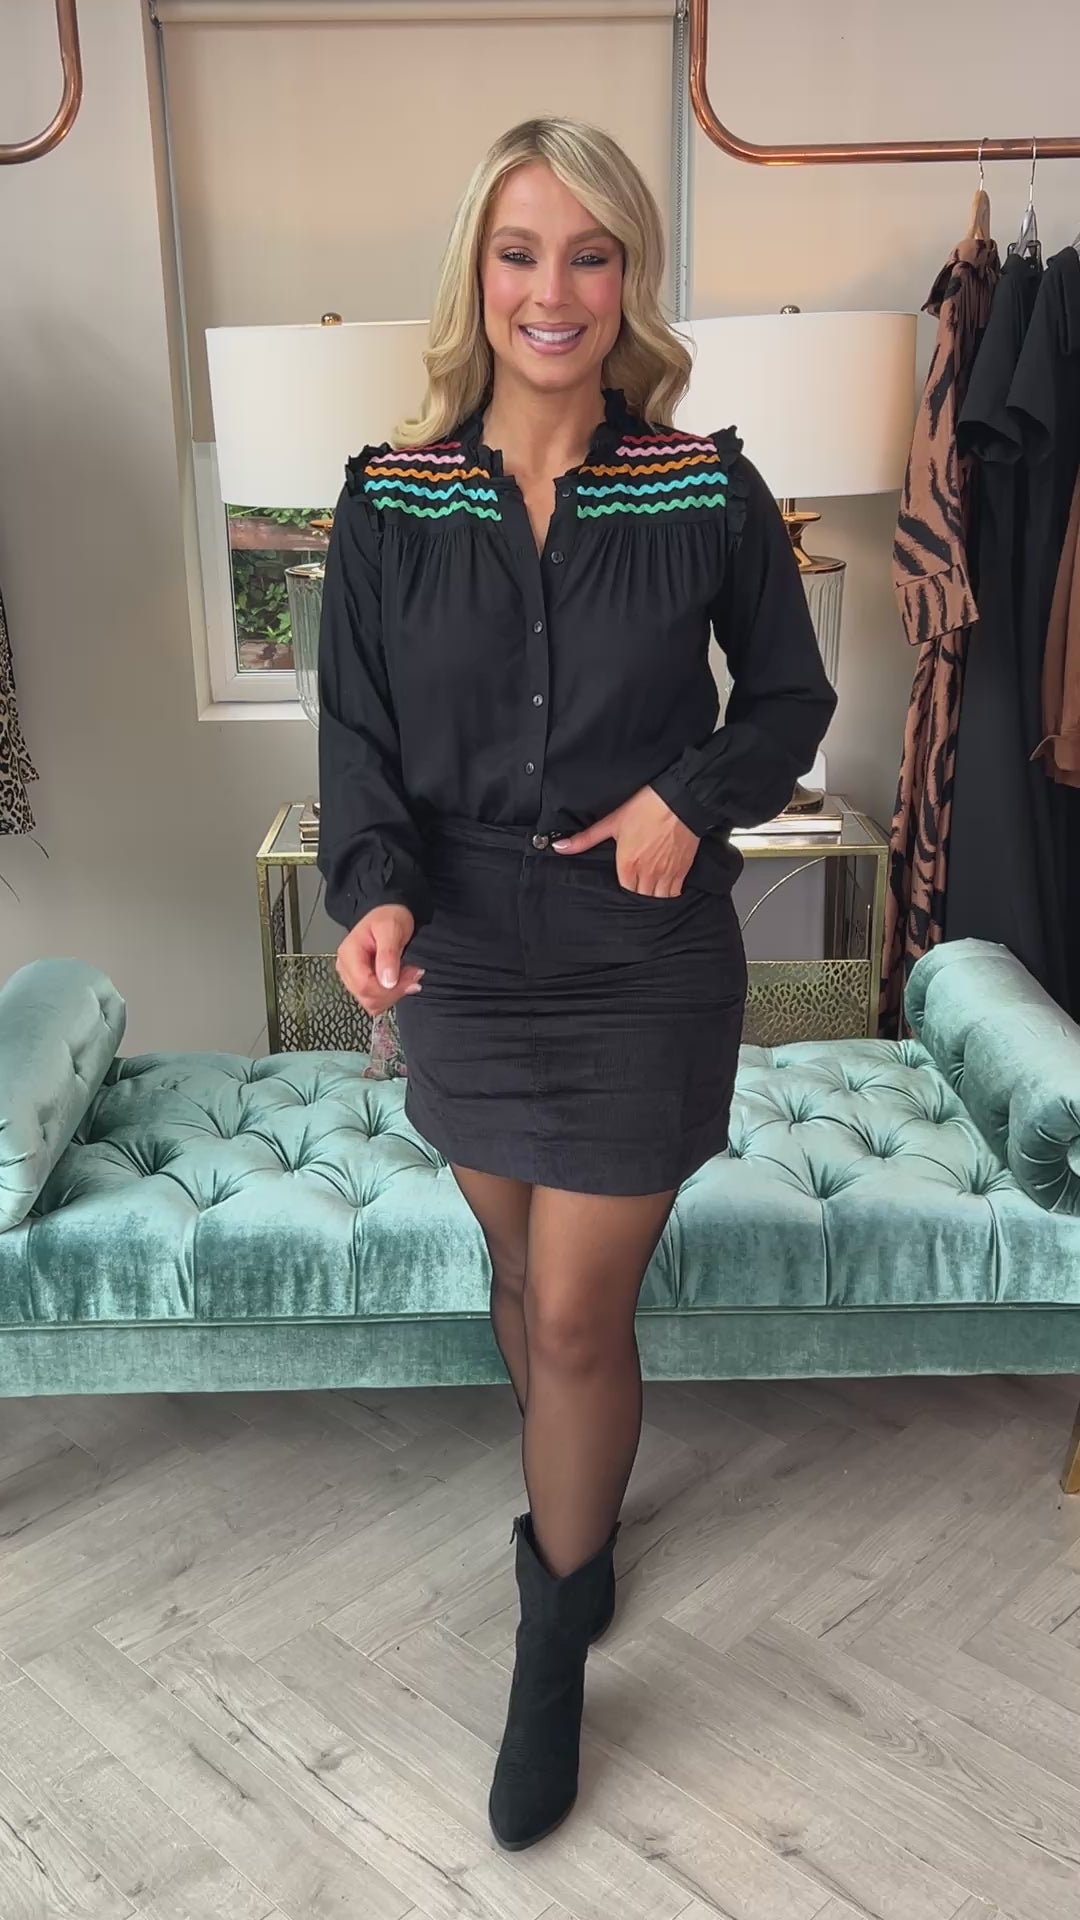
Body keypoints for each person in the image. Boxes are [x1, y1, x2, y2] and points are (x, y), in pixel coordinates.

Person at [317, 117, 835, 1851]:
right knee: (514, 1269)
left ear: (629, 278)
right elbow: (357, 744)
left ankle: (550, 1642)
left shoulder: (702, 486)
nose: (556, 289)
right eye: (523, 251)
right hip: (463, 955)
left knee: (570, 1314)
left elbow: (789, 702)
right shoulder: (391, 497)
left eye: (591, 254)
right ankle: (576, 1523)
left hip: (639, 956)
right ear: (479, 271)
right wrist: (376, 894)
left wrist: (692, 798)